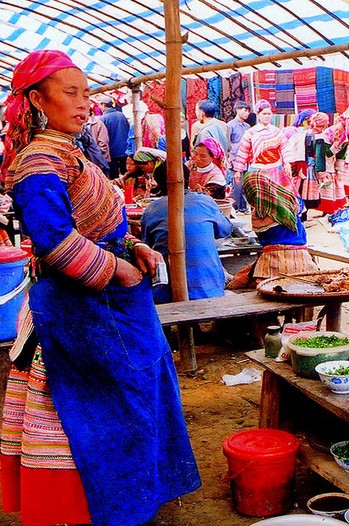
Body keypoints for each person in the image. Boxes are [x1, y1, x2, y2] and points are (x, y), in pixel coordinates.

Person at [0, 50, 200, 526]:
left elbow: (101, 224)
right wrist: (118, 270)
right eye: (70, 92)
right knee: (99, 407)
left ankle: (131, 499)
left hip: (112, 307)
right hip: (80, 313)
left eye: (86, 93)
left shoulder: (73, 151)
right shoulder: (39, 162)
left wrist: (134, 245)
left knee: (135, 393)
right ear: (35, 99)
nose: (84, 102)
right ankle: (97, 507)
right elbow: (53, 241)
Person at [141, 171, 232, 303]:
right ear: (188, 180)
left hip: (165, 293)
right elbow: (225, 230)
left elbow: (148, 246)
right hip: (210, 288)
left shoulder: (151, 209)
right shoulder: (205, 201)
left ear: (158, 183)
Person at [226, 158, 316, 289]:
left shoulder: (259, 215)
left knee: (247, 281)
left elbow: (264, 243)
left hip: (274, 262)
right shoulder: (290, 200)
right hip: (303, 260)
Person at [227, 100, 251, 212]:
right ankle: (235, 206)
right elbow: (227, 143)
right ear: (237, 110)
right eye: (244, 110)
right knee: (236, 185)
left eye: (248, 111)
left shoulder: (247, 126)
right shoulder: (230, 125)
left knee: (244, 184)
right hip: (234, 158)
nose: (247, 113)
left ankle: (243, 206)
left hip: (246, 159)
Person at [98, 95, 129, 179]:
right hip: (124, 150)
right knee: (127, 174)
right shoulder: (121, 115)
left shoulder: (102, 119)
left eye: (100, 105)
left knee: (114, 177)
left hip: (112, 152)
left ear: (103, 105)